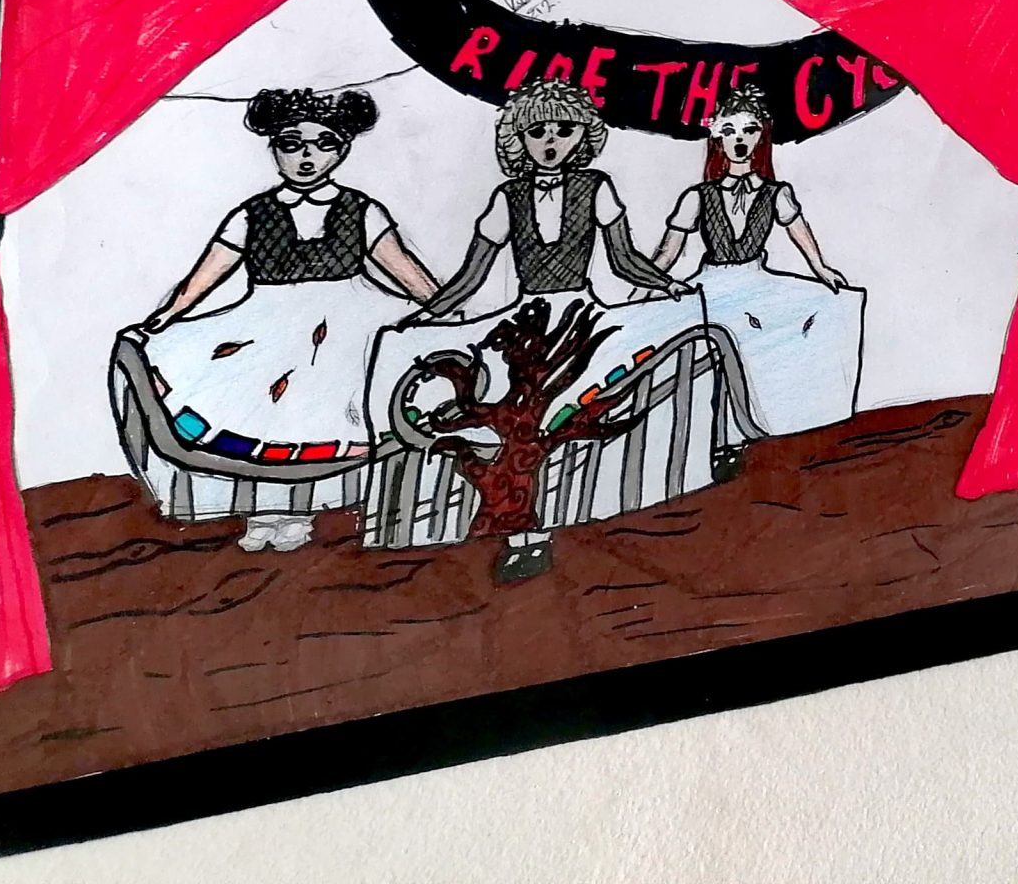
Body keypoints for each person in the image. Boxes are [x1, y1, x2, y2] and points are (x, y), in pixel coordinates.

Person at [119, 88, 442, 552]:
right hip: (265, 328)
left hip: (348, 328)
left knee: (321, 418)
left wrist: (448, 311)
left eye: (323, 144)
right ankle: (264, 512)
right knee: (261, 420)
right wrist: (164, 317)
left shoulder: (362, 211)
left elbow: (406, 271)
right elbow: (204, 276)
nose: (307, 157)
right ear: (273, 148)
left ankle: (302, 512)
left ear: (343, 149)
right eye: (292, 144)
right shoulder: (251, 215)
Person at [418, 78, 685, 581]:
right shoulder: (507, 196)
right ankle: (520, 534)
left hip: (583, 320)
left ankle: (561, 532)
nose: (550, 141)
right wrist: (429, 313)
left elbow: (625, 260)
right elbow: (472, 275)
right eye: (537, 131)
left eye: (563, 130)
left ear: (582, 134)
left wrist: (667, 284)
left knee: (574, 421)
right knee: (517, 435)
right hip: (526, 328)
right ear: (518, 138)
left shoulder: (597, 187)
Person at [655, 86, 857, 477]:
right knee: (718, 348)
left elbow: (800, 234)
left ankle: (793, 425)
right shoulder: (697, 196)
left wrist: (821, 269)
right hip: (713, 287)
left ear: (761, 136)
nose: (739, 140)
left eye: (748, 130)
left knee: (819, 313)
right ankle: (721, 442)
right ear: (717, 138)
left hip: (756, 282)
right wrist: (643, 284)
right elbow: (667, 253)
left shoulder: (777, 193)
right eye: (730, 131)